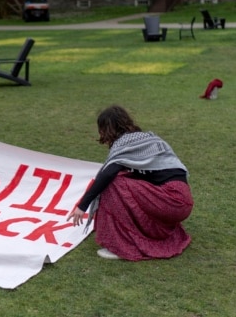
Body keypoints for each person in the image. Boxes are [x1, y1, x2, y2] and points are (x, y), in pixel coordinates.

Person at [67, 105, 193, 261]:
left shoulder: (126, 144)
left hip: (171, 200)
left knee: (114, 182)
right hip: (182, 201)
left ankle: (121, 246)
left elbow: (108, 173)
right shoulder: (145, 139)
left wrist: (82, 206)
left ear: (107, 128)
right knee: (121, 178)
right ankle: (139, 235)